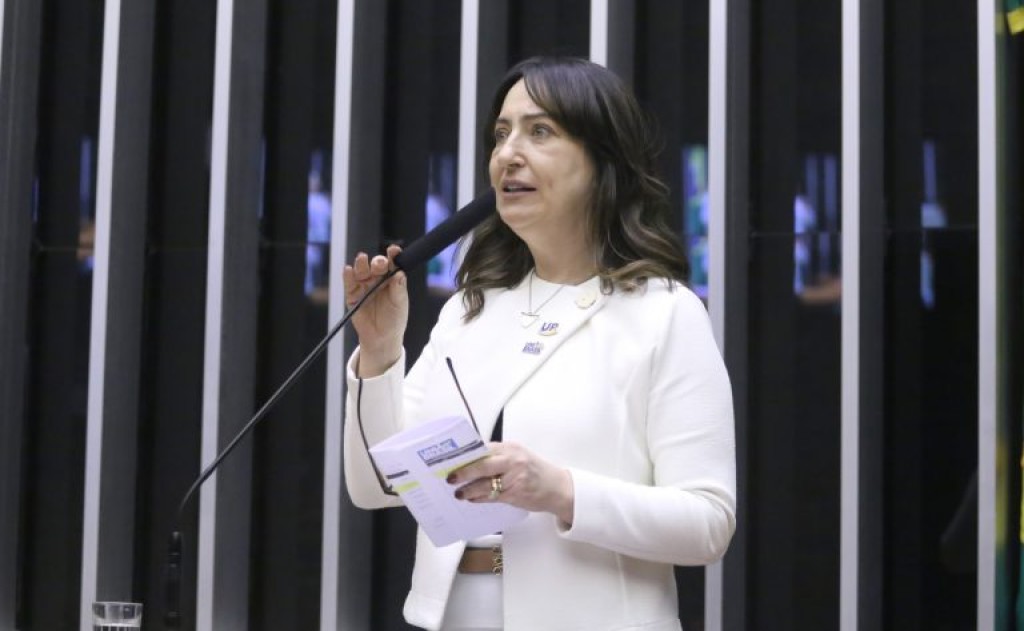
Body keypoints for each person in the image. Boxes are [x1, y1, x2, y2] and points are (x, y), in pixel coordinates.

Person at [342, 56, 736, 631]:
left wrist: (560, 490)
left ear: (602, 161)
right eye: (502, 134)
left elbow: (708, 523)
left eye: (540, 131)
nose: (508, 153)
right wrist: (380, 353)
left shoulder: (664, 313)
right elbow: (377, 486)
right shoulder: (470, 309)